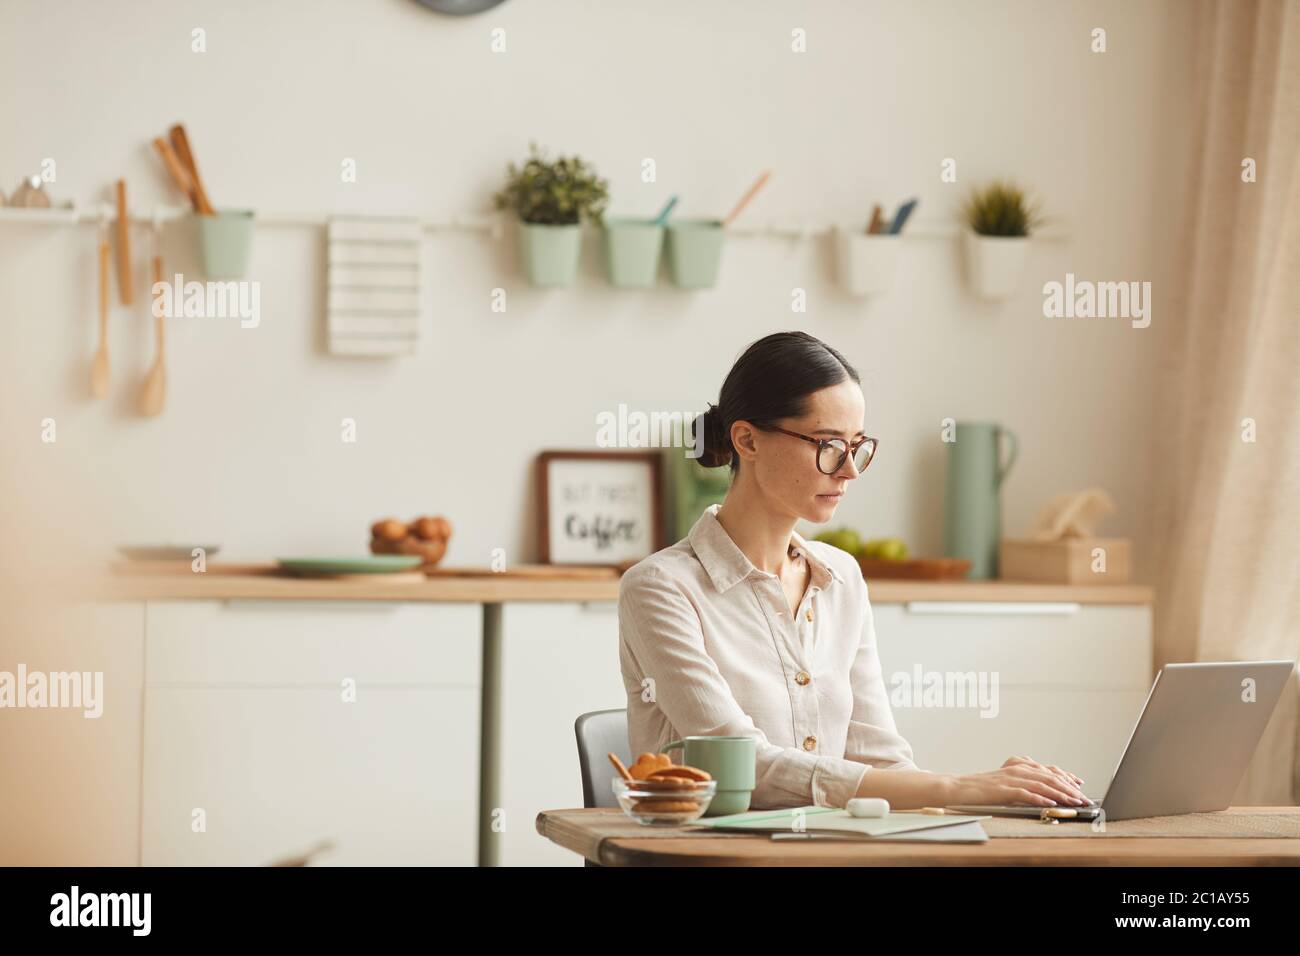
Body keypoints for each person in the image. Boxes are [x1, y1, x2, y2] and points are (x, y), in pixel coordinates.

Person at [618, 330, 1088, 810]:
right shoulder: (659, 588)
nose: (849, 470)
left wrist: (992, 796)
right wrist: (958, 786)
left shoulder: (841, 577)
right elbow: (745, 768)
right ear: (747, 440)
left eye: (857, 445)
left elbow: (879, 761)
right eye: (827, 445)